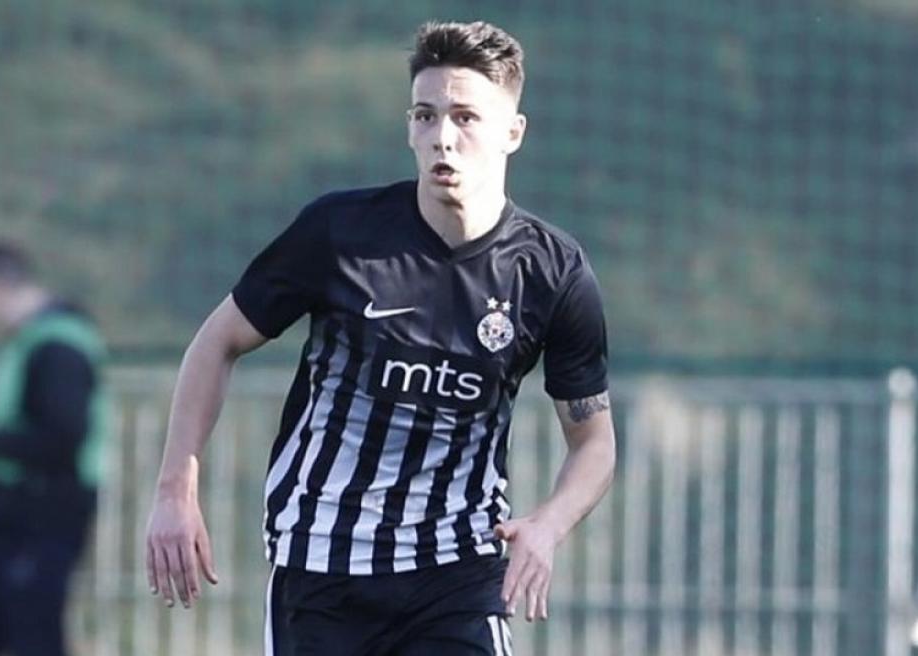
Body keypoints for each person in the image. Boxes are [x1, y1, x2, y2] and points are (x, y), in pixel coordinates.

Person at [145, 20, 617, 655]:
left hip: (456, 569)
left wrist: (547, 526)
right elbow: (218, 340)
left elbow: (594, 441)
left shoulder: (552, 271)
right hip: (323, 566)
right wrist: (175, 488)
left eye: (465, 117)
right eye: (426, 116)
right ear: (409, 127)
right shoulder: (341, 233)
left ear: (513, 132)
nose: (442, 136)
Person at [0, 241, 109, 656]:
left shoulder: (60, 346)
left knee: (35, 637)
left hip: (42, 519)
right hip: (8, 521)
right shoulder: (27, 343)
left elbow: (62, 438)